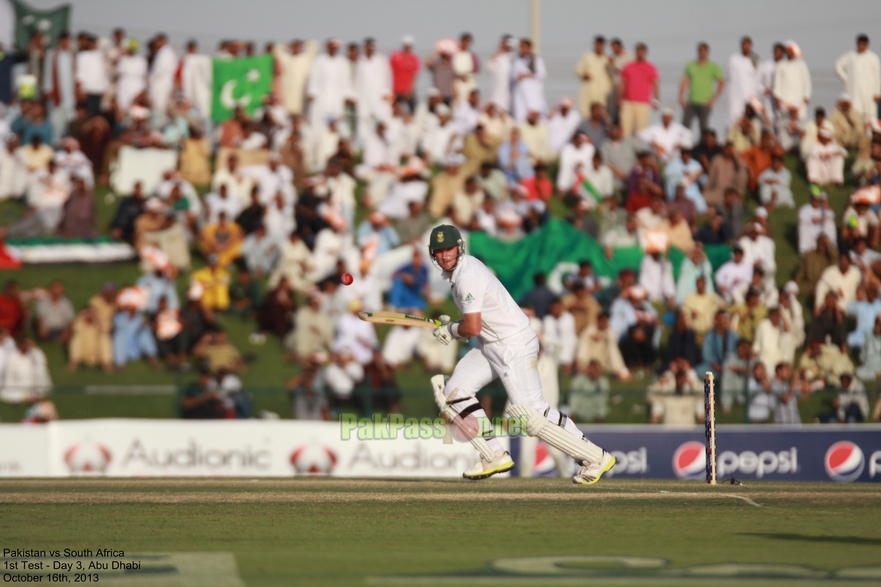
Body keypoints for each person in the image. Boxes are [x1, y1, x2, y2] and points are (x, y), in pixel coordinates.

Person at [427, 224, 615, 484]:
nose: (444, 255)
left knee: (531, 414)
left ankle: (596, 457)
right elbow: (478, 321)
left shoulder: (467, 275)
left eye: (448, 249)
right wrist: (454, 327)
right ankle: (494, 454)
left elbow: (472, 327)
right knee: (454, 393)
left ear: (459, 248)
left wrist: (452, 329)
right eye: (439, 251)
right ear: (432, 255)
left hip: (513, 345)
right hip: (492, 345)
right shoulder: (461, 271)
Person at [679, 42, 725, 135]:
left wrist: (714, 97)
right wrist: (681, 96)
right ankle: (685, 147)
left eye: (704, 51)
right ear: (697, 51)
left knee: (703, 127)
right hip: (691, 101)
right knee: (685, 126)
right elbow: (685, 80)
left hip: (705, 102)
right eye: (700, 50)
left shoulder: (713, 66)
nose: (702, 53)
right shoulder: (691, 65)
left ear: (708, 52)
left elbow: (721, 81)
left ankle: (702, 147)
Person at [834, 34, 881, 123]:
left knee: (869, 116)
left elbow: (878, 76)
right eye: (859, 44)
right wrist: (846, 79)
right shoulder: (851, 56)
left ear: (867, 45)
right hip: (854, 93)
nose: (861, 46)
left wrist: (877, 92)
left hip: (869, 93)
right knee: (854, 115)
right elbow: (837, 66)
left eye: (863, 44)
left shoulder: (873, 58)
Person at [618, 43, 659, 137]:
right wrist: (619, 98)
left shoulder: (650, 67)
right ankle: (626, 149)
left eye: (642, 51)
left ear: (645, 52)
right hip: (628, 102)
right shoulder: (628, 66)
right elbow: (622, 83)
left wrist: (656, 100)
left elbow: (655, 85)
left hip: (643, 103)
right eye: (638, 51)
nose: (640, 53)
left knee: (642, 131)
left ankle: (640, 151)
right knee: (625, 129)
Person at [575, 36, 613, 120]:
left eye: (601, 44)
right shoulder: (587, 56)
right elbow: (578, 70)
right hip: (589, 91)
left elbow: (613, 76)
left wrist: (611, 65)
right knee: (586, 114)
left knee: (602, 115)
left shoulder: (607, 58)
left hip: (602, 93)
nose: (599, 46)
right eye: (597, 44)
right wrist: (584, 74)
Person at [773, 40, 812, 121]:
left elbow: (807, 82)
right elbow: (777, 84)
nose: (789, 52)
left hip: (799, 102)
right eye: (787, 50)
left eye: (791, 50)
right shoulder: (781, 65)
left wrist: (807, 96)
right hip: (785, 102)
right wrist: (778, 99)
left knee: (801, 126)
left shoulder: (801, 64)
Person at [510, 38, 546, 123]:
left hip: (533, 92)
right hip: (520, 92)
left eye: (525, 47)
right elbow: (513, 76)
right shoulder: (516, 61)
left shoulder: (536, 60)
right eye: (521, 47)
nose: (523, 49)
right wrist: (519, 77)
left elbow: (542, 74)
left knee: (536, 114)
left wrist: (528, 75)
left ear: (529, 48)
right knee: (520, 115)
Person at [726, 36, 760, 127]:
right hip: (736, 96)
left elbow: (757, 78)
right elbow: (729, 76)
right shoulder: (734, 59)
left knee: (752, 121)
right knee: (734, 119)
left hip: (750, 96)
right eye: (745, 44)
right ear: (741, 45)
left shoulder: (754, 60)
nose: (746, 47)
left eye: (748, 45)